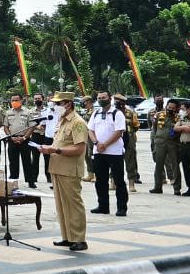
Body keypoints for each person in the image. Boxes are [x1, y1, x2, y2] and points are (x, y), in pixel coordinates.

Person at [38, 91, 89, 251]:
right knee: (61, 205)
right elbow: (59, 142)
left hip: (69, 169)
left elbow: (79, 148)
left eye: (58, 103)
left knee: (73, 204)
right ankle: (67, 237)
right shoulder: (61, 120)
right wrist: (49, 148)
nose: (55, 106)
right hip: (57, 167)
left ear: (68, 104)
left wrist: (56, 150)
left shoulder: (77, 122)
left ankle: (79, 239)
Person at [87, 91, 128, 217]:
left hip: (114, 152)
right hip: (98, 152)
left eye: (104, 97)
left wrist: (105, 144)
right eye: (99, 98)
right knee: (100, 180)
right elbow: (90, 130)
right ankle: (103, 206)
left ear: (110, 98)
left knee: (118, 180)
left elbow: (119, 132)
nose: (101, 99)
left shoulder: (117, 113)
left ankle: (121, 208)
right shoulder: (96, 113)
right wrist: (96, 143)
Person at [148, 96, 181, 194]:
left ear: (176, 109)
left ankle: (177, 188)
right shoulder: (158, 115)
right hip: (160, 143)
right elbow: (154, 128)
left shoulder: (179, 118)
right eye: (169, 107)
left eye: (173, 108)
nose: (170, 109)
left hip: (173, 144)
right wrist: (155, 140)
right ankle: (157, 187)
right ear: (166, 106)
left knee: (175, 166)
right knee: (159, 165)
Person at [3, 94, 37, 187]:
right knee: (13, 161)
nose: (14, 102)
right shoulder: (8, 112)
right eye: (12, 100)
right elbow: (6, 127)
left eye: (16, 100)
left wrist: (24, 137)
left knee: (27, 161)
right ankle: (13, 180)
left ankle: (30, 181)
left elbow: (32, 126)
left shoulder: (28, 112)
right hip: (12, 139)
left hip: (24, 139)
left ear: (21, 101)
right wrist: (10, 137)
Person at [115, 92, 141, 192]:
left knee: (130, 160)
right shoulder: (112, 112)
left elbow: (136, 125)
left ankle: (131, 183)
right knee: (115, 161)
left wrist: (129, 132)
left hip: (129, 138)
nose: (117, 103)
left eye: (119, 101)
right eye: (116, 101)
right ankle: (113, 182)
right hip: (115, 138)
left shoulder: (130, 112)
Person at [81, 96, 96, 179]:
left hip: (92, 136)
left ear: (88, 102)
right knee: (86, 155)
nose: (83, 104)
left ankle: (97, 174)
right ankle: (90, 174)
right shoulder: (86, 112)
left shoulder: (94, 112)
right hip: (85, 136)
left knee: (93, 155)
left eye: (84, 102)